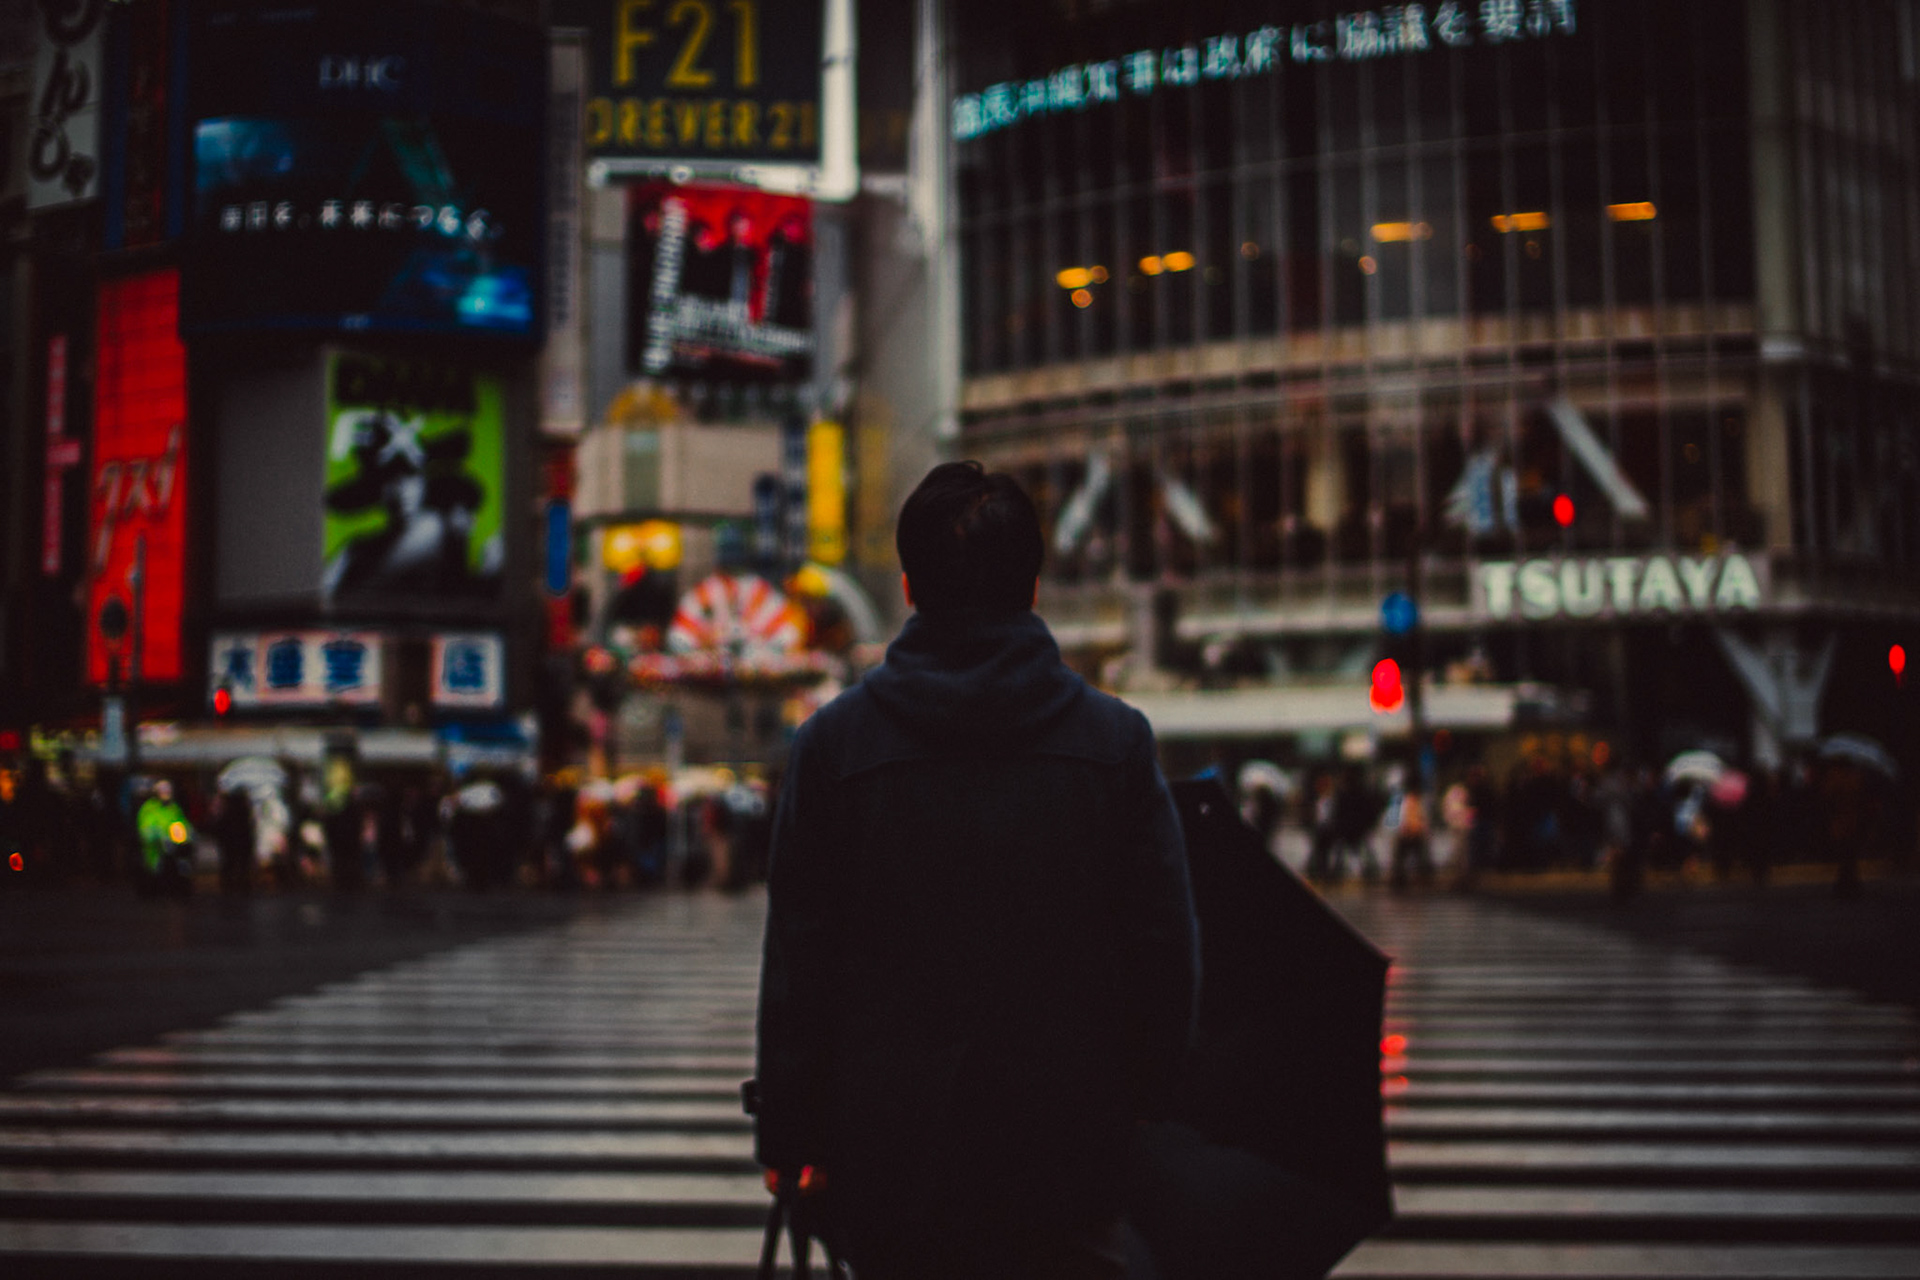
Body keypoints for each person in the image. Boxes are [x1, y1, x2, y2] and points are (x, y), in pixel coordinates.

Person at [755, 462, 1199, 1280]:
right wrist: (1141, 1102)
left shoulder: (834, 748)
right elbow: (1164, 949)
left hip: (890, 1148)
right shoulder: (1115, 744)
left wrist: (788, 1134)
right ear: (1033, 584)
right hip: (1069, 1144)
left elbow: (798, 966)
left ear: (910, 584)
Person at [136, 780, 194, 897]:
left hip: (173, 845)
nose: (166, 794)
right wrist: (155, 835)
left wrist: (187, 836)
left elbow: (181, 823)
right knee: (156, 870)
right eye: (163, 791)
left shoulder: (173, 807)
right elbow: (146, 827)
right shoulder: (149, 808)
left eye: (168, 791)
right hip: (155, 847)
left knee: (181, 866)